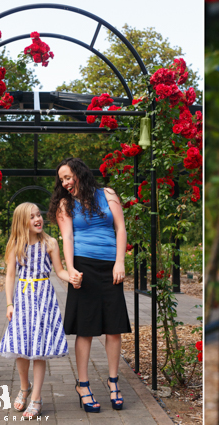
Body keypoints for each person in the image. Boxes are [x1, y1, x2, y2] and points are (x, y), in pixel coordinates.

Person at [48, 157, 131, 412]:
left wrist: (120, 262)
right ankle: (83, 384)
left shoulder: (107, 194)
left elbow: (120, 228)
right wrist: (71, 269)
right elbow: (68, 237)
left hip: (110, 267)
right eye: (62, 180)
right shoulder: (65, 203)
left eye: (68, 177)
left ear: (80, 174)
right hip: (84, 266)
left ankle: (113, 381)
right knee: (85, 329)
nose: (65, 183)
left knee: (113, 327)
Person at [0, 202, 75, 419]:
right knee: (20, 347)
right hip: (22, 299)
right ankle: (24, 386)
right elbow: (10, 275)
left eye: (38, 215)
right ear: (23, 222)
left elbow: (59, 271)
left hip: (44, 299)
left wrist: (73, 277)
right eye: (32, 217)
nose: (38, 219)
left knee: (39, 349)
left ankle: (37, 398)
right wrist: (9, 303)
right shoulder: (16, 245)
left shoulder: (50, 243)